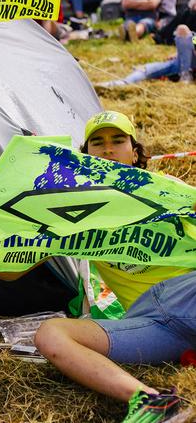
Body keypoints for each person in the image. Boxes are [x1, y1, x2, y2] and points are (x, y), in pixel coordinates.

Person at [34, 111, 196, 422]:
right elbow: (7, 271)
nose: (108, 149)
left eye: (118, 140)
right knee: (50, 334)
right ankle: (149, 400)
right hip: (150, 322)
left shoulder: (168, 189)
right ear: (86, 156)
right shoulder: (72, 213)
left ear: (135, 153)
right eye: (98, 143)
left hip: (186, 292)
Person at [98, 25, 195, 87]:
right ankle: (122, 83)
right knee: (145, 69)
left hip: (191, 64)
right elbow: (191, 40)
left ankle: (186, 74)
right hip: (182, 62)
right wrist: (182, 51)